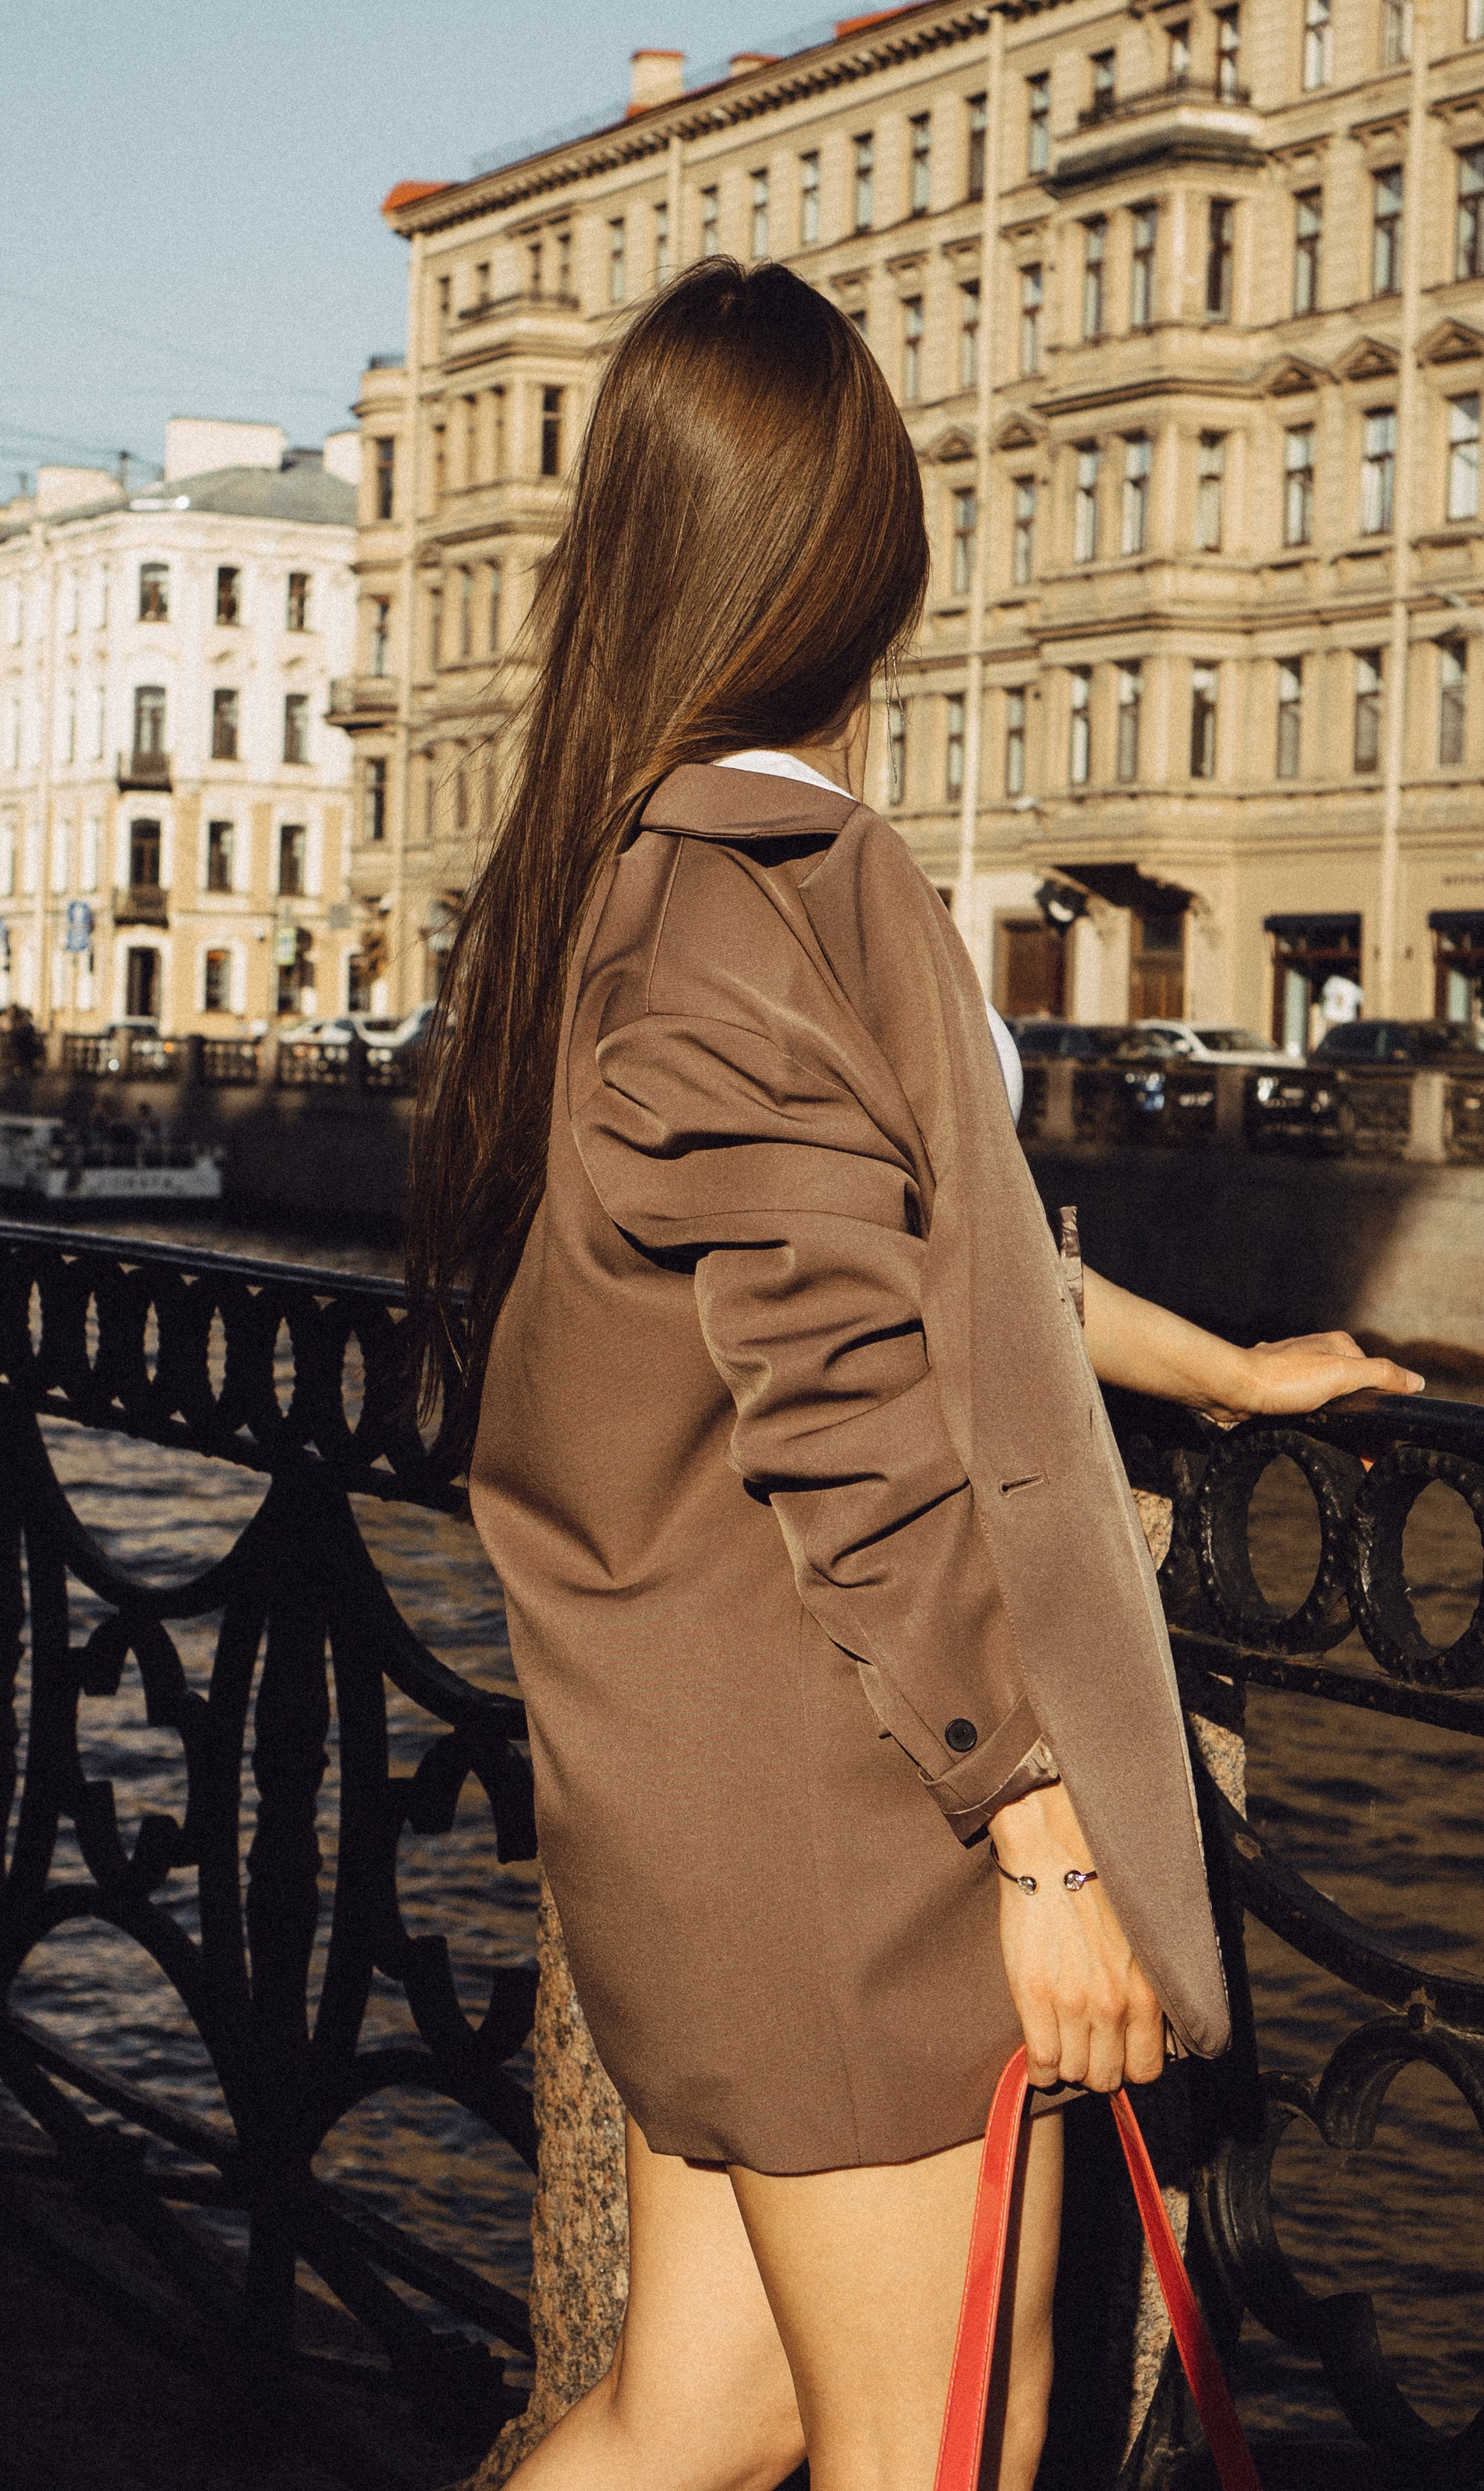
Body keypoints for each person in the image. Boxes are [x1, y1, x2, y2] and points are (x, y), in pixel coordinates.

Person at [406, 263, 1419, 2491]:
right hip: (853, 1816)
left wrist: (1221, 1369)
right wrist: (1042, 1848)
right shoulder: (783, 878)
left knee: (700, 2420)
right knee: (949, 2441)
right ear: (860, 546)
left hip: (715, 1794)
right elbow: (856, 1415)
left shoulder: (630, 884)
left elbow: (909, 1286)